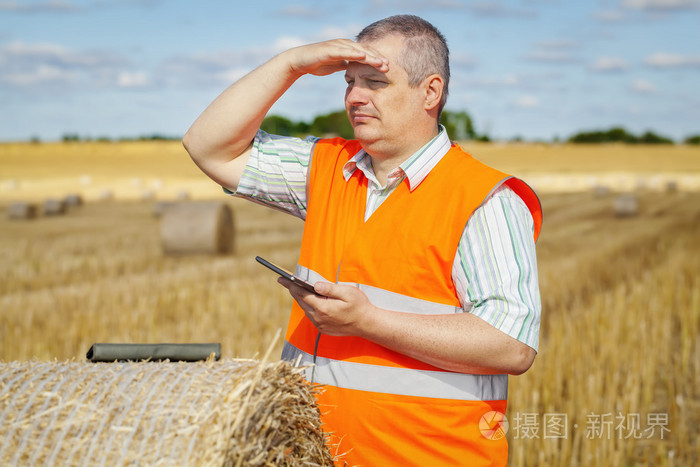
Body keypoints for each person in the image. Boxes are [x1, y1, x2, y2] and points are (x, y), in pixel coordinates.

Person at [184, 14, 543, 466]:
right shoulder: (327, 168)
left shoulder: (484, 199)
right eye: (349, 82)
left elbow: (511, 344)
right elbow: (208, 146)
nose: (355, 96)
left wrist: (367, 321)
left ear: (430, 92)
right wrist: (291, 64)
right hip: (310, 456)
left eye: (374, 82)